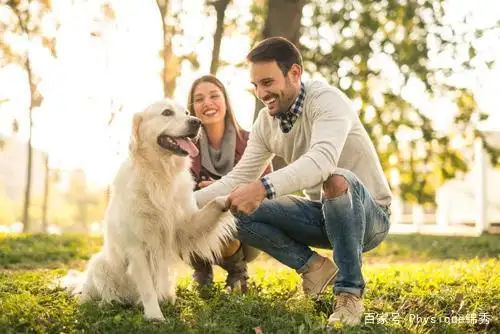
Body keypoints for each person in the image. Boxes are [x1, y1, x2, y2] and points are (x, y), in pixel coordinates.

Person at [195, 37, 392, 326]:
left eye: (268, 82)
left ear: (295, 73)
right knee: (232, 204)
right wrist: (184, 204)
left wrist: (263, 187)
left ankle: (349, 294)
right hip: (321, 216)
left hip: (369, 216)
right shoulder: (265, 122)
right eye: (256, 86)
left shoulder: (327, 101)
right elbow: (239, 177)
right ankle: (313, 268)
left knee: (336, 178)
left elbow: (321, 161)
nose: (262, 93)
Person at [187, 74, 271, 293]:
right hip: (198, 228)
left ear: (225, 101)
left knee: (223, 214)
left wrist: (221, 188)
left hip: (245, 231)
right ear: (193, 108)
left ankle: (237, 272)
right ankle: (201, 268)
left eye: (214, 96)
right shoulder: (184, 149)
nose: (207, 103)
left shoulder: (252, 141)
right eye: (199, 99)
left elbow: (268, 189)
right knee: (180, 212)